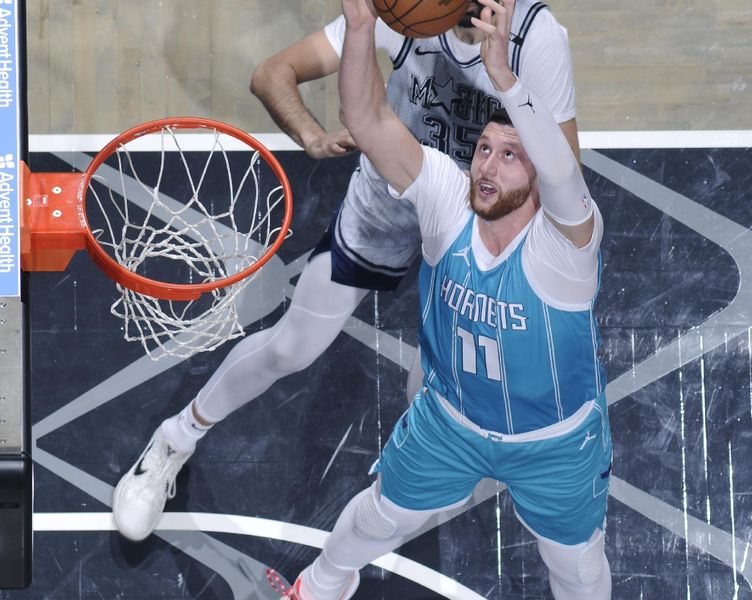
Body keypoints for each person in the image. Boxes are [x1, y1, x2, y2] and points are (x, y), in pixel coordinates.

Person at [112, 0, 582, 542]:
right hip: (394, 195)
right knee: (292, 347)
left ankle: (419, 477)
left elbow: (564, 174)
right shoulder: (399, 13)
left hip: (475, 220)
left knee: (438, 382)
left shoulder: (535, 36)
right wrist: (310, 133)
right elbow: (273, 73)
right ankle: (175, 438)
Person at [277, 0, 612, 599]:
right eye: (484, 149)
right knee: (376, 518)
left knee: (578, 571)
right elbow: (369, 117)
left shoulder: (567, 246)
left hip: (555, 444)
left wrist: (505, 79)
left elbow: (564, 173)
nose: (487, 165)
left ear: (537, 176)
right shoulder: (446, 198)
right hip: (448, 423)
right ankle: (321, 583)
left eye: (511, 156)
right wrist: (360, 29)